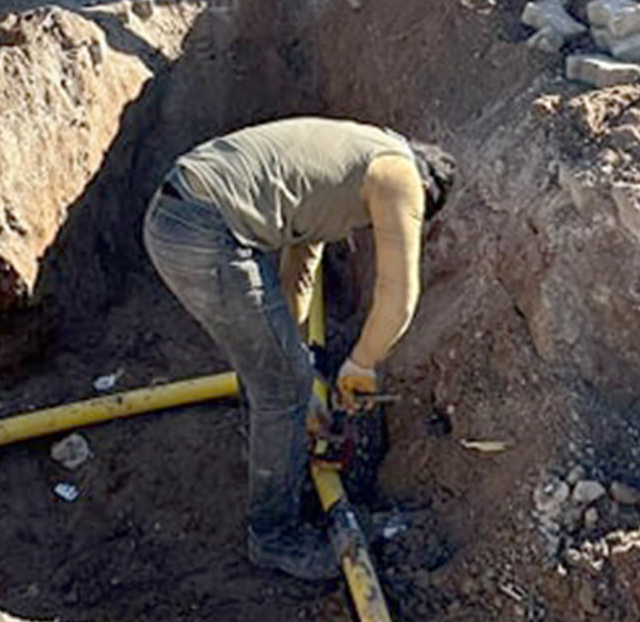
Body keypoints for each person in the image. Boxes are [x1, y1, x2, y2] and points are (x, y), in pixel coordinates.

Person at [142, 118, 456, 581]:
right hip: (206, 231)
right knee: (282, 386)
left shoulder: (352, 159)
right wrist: (360, 366)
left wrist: (294, 359)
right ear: (426, 192)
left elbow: (300, 267)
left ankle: (276, 437)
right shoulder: (402, 178)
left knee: (282, 374)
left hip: (178, 212)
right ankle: (273, 537)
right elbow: (399, 296)